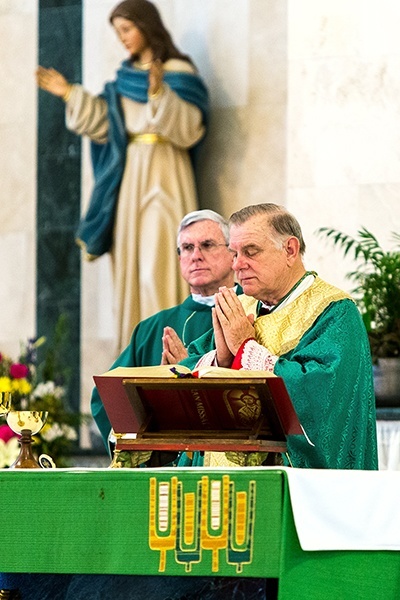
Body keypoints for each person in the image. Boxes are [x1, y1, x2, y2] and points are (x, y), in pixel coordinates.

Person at [36, 0, 209, 353]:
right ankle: (137, 353)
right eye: (117, 32)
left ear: (147, 26)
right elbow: (106, 124)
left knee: (155, 266)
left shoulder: (177, 71)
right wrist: (69, 93)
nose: (123, 39)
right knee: (130, 271)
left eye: (127, 29)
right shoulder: (122, 79)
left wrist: (161, 95)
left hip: (165, 171)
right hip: (130, 179)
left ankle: (170, 348)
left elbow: (191, 128)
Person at [184, 203, 378, 470]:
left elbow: (324, 399)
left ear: (290, 250)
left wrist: (245, 348)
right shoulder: (241, 307)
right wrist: (221, 360)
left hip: (295, 486)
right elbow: (189, 366)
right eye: (234, 253)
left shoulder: (334, 311)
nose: (237, 265)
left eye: (251, 252)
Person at [91, 209, 242, 452]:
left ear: (232, 253)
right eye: (187, 248)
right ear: (179, 257)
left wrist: (190, 373)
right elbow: (106, 397)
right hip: (164, 463)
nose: (196, 256)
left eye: (207, 245)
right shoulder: (152, 329)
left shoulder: (254, 310)